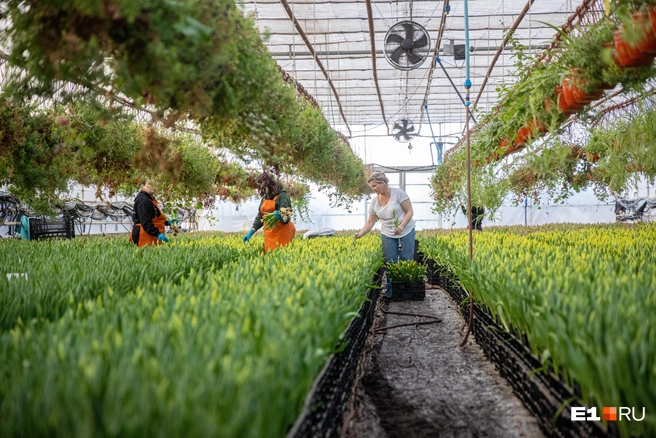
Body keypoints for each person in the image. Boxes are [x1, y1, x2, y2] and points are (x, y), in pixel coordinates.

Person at [355, 171, 415, 298]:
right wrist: (360, 234)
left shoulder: (398, 194)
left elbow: (409, 211)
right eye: (372, 186)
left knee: (406, 260)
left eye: (374, 186)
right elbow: (371, 221)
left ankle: (407, 289)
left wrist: (402, 226)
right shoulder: (375, 202)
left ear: (382, 183)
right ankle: (391, 290)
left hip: (406, 231)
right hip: (387, 233)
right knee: (390, 262)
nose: (373, 189)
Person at [242, 172, 296, 253]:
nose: (262, 191)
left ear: (271, 185)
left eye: (264, 188)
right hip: (269, 234)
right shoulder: (265, 197)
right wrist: (252, 231)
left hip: (282, 234)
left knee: (282, 258)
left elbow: (288, 215)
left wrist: (281, 215)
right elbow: (261, 215)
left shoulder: (282, 196)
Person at [130, 178, 177, 247]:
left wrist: (167, 222)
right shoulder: (143, 200)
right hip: (143, 235)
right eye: (150, 184)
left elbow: (152, 217)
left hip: (149, 233)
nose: (153, 186)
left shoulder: (149, 198)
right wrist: (157, 233)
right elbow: (145, 222)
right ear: (142, 186)